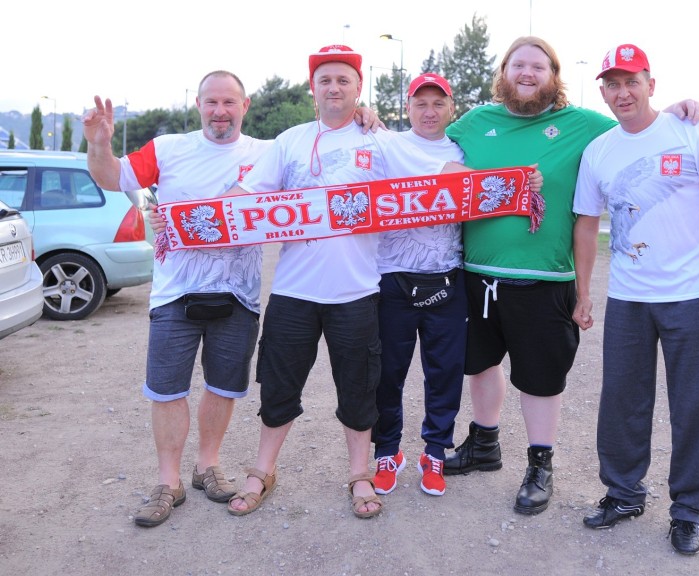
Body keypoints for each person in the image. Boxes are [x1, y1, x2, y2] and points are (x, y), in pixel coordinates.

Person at [442, 36, 699, 516]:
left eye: (538, 67)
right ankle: (484, 444)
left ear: (554, 76)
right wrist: (370, 119)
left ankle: (540, 465)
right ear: (503, 72)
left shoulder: (580, 124)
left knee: (540, 378)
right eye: (518, 65)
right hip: (477, 274)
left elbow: (637, 125)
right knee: (479, 364)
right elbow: (424, 138)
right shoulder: (475, 123)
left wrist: (672, 109)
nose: (527, 74)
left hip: (545, 278)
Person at [225, 46, 481, 519]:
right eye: (325, 80)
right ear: (313, 89)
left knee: (361, 389)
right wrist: (191, 217)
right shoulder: (290, 141)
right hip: (294, 291)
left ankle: (360, 474)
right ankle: (262, 470)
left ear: (358, 88)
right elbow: (244, 198)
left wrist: (497, 182)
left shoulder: (381, 143)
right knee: (279, 386)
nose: (334, 88)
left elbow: (437, 177)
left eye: (344, 80)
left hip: (358, 291)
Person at [572, 43, 699, 555]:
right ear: (602, 91)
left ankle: (688, 511)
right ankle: (624, 493)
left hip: (690, 296)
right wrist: (584, 292)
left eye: (632, 81)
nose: (622, 92)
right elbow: (586, 224)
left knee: (694, 406)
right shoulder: (600, 151)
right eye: (612, 83)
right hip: (628, 297)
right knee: (622, 403)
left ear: (652, 83)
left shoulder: (693, 133)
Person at [83, 71, 272, 527]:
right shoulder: (168, 147)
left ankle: (208, 465)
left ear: (245, 106)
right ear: (199, 105)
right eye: (211, 102)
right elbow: (112, 178)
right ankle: (168, 481)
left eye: (229, 102)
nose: (220, 111)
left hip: (238, 291)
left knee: (224, 386)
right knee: (167, 390)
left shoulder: (267, 154)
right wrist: (98, 143)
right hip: (175, 292)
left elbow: (318, 168)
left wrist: (368, 120)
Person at [371, 73, 466, 498]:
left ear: (451, 108)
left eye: (438, 104)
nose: (430, 112)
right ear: (407, 108)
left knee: (444, 372)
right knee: (387, 372)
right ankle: (387, 452)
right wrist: (361, 114)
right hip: (392, 278)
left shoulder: (465, 150)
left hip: (447, 277)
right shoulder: (385, 144)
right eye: (420, 103)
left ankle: (435, 452)